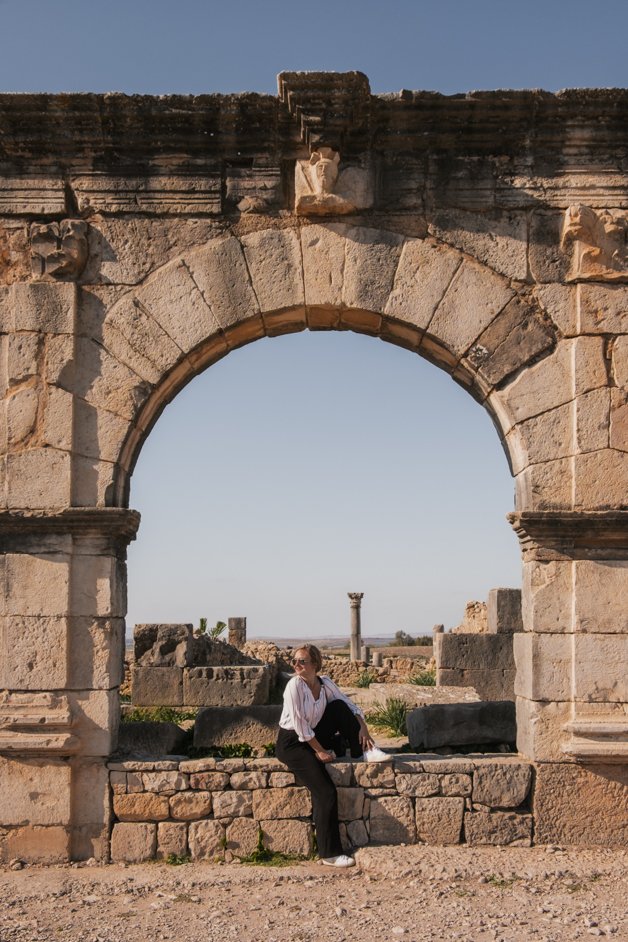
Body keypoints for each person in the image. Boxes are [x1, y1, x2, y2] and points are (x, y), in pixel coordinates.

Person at [275, 643, 387, 868]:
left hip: (312, 736)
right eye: (294, 661)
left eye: (302, 661)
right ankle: (330, 853)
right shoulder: (294, 686)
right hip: (292, 744)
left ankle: (363, 752)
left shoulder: (324, 682)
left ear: (315, 664)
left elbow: (349, 705)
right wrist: (320, 751)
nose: (296, 665)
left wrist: (362, 727)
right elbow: (300, 727)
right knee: (325, 791)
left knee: (337, 707)